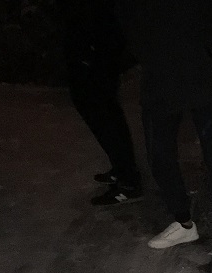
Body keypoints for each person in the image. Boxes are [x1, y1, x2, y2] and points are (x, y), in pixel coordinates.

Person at [115, 0, 212, 273]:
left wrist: (209, 44)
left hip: (202, 71)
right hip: (159, 74)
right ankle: (183, 222)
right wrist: (143, 49)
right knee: (159, 153)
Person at [57, 0, 143, 205]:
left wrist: (92, 54)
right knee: (104, 115)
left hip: (95, 55)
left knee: (104, 115)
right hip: (91, 52)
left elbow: (105, 18)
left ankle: (128, 181)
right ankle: (123, 170)